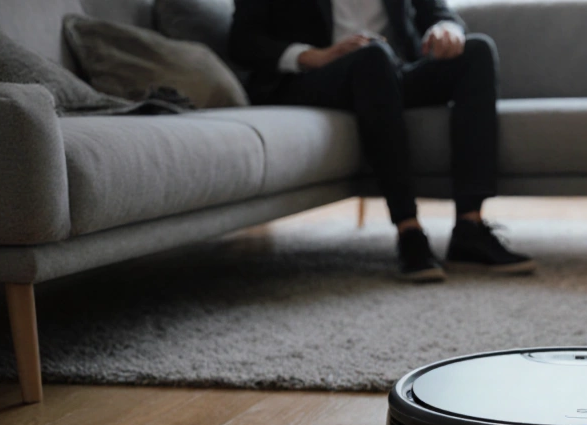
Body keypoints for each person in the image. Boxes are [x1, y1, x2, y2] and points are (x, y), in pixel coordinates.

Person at [229, 0, 535, 282]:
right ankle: (409, 231)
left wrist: (446, 30)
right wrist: (313, 56)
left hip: (389, 73)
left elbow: (439, 13)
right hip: (314, 76)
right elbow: (242, 41)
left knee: (477, 50)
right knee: (373, 57)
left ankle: (470, 227)